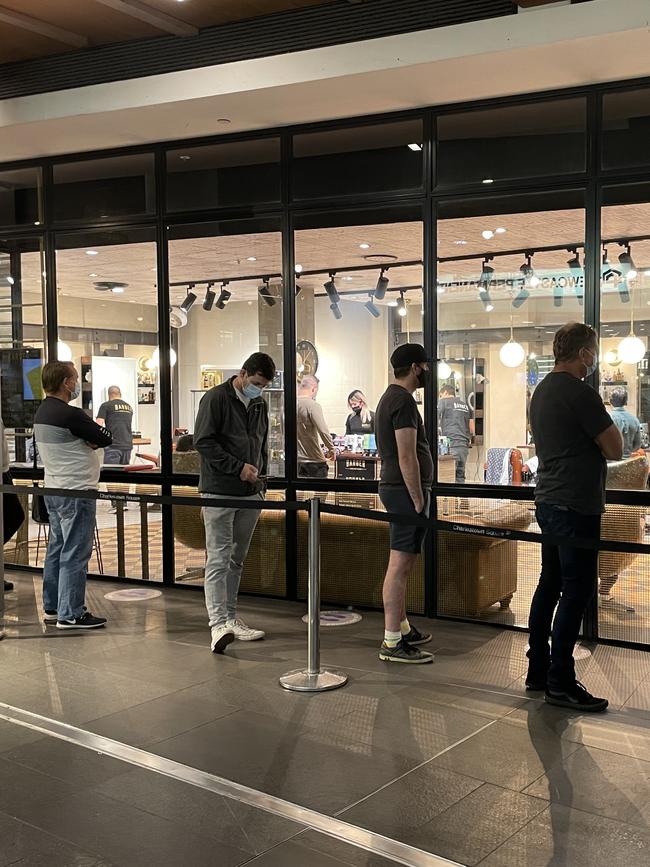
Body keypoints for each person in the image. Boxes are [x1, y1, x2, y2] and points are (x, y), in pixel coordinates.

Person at [527, 323, 623, 712]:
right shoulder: (580, 393)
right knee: (577, 589)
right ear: (584, 353)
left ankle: (538, 669)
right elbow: (615, 447)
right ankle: (561, 681)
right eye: (593, 350)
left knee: (549, 584)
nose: (594, 358)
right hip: (576, 505)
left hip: (549, 500)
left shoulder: (542, 391)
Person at [194, 352, 276, 653]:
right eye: (255, 383)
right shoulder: (215, 398)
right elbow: (203, 441)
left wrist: (261, 480)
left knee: (237, 558)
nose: (259, 389)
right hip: (219, 490)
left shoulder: (258, 403)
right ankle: (218, 624)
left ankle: (229, 617)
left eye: (263, 385)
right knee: (218, 557)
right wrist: (237, 467)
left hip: (251, 493)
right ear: (242, 374)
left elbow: (261, 441)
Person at [34, 361, 112, 629]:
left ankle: (54, 606)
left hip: (54, 488)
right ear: (66, 383)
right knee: (75, 552)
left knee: (57, 548)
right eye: (76, 379)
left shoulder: (42, 411)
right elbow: (105, 437)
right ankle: (71, 613)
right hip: (76, 490)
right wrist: (90, 437)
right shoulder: (71, 414)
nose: (77, 383)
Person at [375, 343, 434, 664]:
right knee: (399, 565)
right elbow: (406, 455)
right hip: (403, 491)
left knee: (404, 563)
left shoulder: (391, 398)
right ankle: (392, 641)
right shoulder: (402, 401)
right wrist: (417, 497)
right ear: (415, 367)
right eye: (424, 366)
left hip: (399, 489)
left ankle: (402, 626)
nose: (427, 372)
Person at [297, 375, 335, 479]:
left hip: (296, 461)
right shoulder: (312, 405)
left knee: (298, 493)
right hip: (313, 461)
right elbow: (323, 431)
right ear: (314, 388)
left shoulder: (290, 404)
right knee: (321, 491)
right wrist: (332, 449)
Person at [438, 383, 474, 484]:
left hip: (450, 445)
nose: (440, 397)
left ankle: (448, 500)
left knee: (447, 477)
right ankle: (462, 499)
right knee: (460, 475)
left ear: (445, 392)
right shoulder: (465, 405)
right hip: (464, 446)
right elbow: (471, 427)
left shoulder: (443, 402)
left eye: (441, 395)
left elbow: (434, 418)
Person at [96, 386, 134, 466]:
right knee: (124, 475)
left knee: (111, 474)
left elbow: (98, 425)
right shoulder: (129, 407)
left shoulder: (106, 405)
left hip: (113, 445)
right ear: (120, 394)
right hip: (127, 445)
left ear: (109, 395)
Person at [609, 387, 641, 458]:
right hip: (628, 462)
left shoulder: (607, 418)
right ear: (626, 401)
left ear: (610, 401)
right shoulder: (634, 419)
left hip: (610, 462)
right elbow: (637, 445)